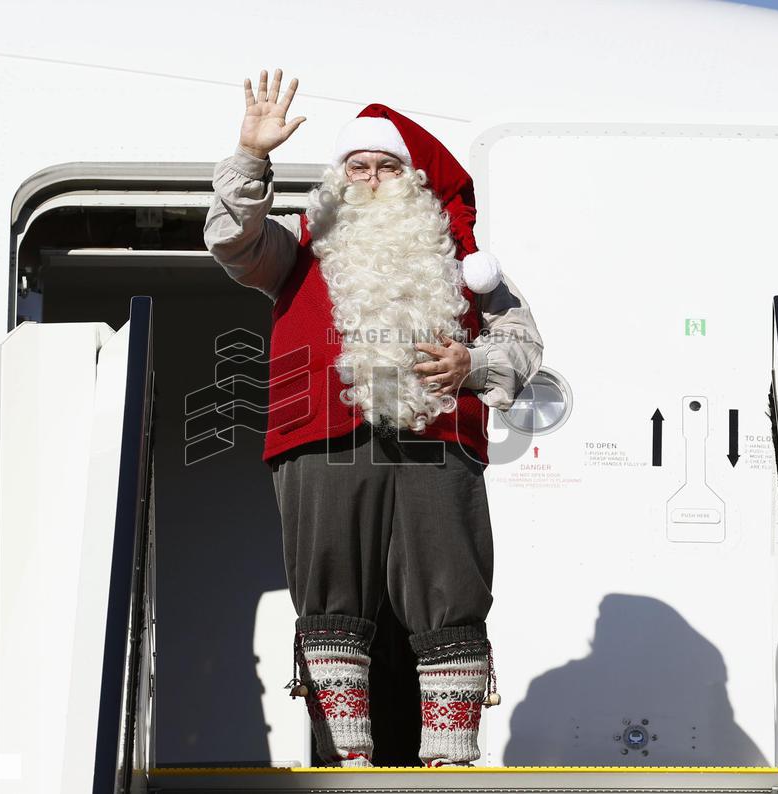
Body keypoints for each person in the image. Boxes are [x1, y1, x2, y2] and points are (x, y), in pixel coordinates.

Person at [204, 68, 544, 768]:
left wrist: (472, 366)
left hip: (437, 443)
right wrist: (250, 155)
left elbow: (522, 346)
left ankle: (450, 754)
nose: (369, 176)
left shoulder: (468, 265)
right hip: (319, 439)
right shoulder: (300, 242)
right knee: (330, 592)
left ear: (415, 179)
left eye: (388, 165)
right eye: (356, 164)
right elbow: (231, 241)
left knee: (451, 591)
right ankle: (344, 757)